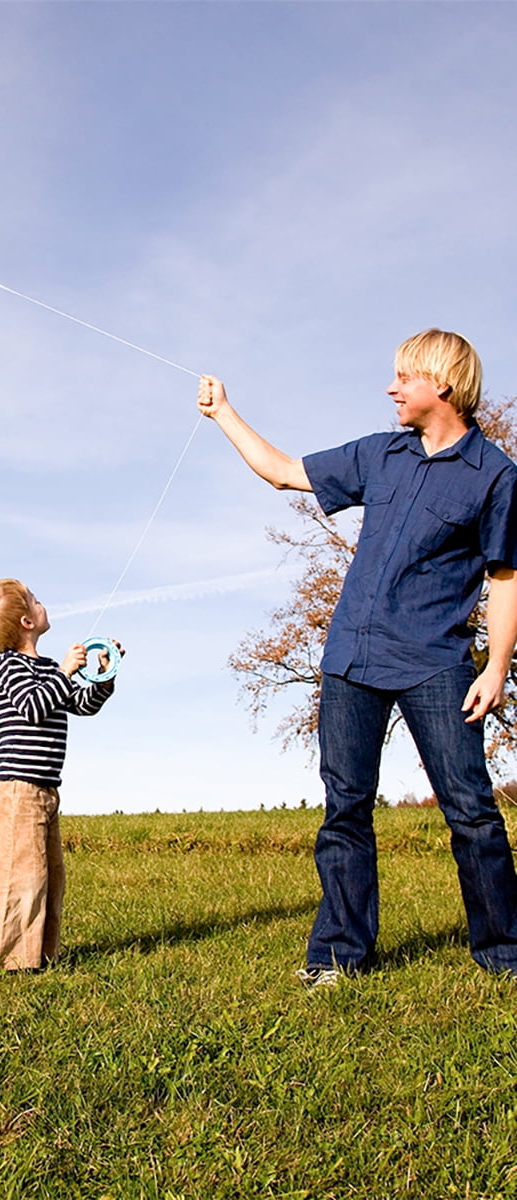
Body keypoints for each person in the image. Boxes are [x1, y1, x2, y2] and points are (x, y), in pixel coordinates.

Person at [198, 328, 517, 984]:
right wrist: (224, 412)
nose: (391, 388)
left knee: (471, 809)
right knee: (344, 806)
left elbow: (506, 576)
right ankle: (338, 955)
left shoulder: (496, 477)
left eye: (404, 378)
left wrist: (496, 666)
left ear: (444, 386)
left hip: (437, 662)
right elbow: (284, 472)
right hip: (350, 659)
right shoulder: (380, 454)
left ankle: (503, 953)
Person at [0, 578, 118, 970]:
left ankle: (39, 955)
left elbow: (83, 705)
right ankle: (2, 959)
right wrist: (66, 671)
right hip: (18, 790)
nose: (41, 601)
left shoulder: (48, 669)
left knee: (48, 875)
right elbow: (34, 706)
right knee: (20, 874)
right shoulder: (10, 668)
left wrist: (103, 675)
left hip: (46, 789)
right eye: (34, 600)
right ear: (26, 621)